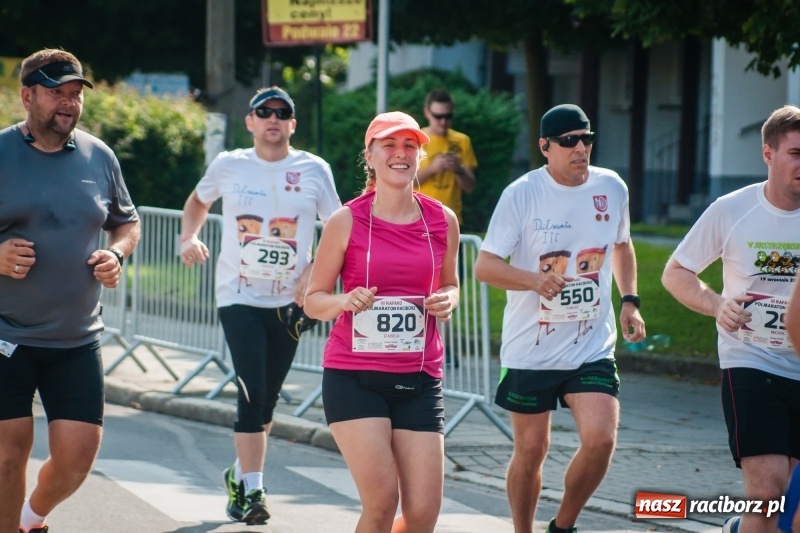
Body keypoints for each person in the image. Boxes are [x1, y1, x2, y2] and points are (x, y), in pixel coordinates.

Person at [474, 103, 646, 533]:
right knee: (532, 450)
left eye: (586, 139)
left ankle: (563, 527)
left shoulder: (612, 187)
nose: (580, 148)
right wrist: (534, 281)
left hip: (590, 343)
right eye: (569, 141)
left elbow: (622, 245)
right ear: (545, 147)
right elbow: (485, 266)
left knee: (601, 439)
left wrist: (630, 300)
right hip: (531, 347)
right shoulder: (522, 194)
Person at [179, 86, 340, 526]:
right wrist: (188, 237)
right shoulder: (229, 165)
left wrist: (313, 275)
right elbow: (198, 200)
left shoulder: (313, 169)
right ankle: (254, 492)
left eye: (281, 112)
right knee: (250, 391)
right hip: (238, 297)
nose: (273, 118)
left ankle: (238, 472)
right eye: (263, 112)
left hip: (291, 302)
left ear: (293, 123)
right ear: (249, 122)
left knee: (266, 398)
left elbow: (339, 227)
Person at [0, 48, 141, 533]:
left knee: (77, 460)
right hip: (6, 333)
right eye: (57, 92)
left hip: (76, 338)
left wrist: (117, 254)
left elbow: (128, 221)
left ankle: (30, 517)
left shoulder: (98, 155)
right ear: (27, 96)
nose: (69, 103)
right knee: (6, 453)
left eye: (75, 94)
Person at [303, 111, 460, 533]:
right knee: (382, 501)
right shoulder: (346, 221)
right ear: (369, 157)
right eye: (389, 145)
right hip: (354, 377)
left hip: (420, 376)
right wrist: (344, 301)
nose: (401, 154)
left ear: (420, 156)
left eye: (410, 145)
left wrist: (448, 300)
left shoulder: (442, 220)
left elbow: (451, 283)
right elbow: (313, 301)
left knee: (424, 512)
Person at [661, 104, 800, 533]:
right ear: (768, 154)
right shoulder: (731, 209)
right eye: (796, 153)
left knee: (793, 514)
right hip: (752, 361)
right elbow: (676, 273)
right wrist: (717, 304)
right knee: (768, 489)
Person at [415, 89, 477, 224]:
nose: (443, 121)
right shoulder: (416, 140)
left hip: (451, 220)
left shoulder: (462, 141)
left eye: (448, 116)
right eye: (438, 116)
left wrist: (458, 169)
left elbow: (470, 187)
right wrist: (432, 169)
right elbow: (405, 183)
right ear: (427, 113)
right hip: (419, 218)